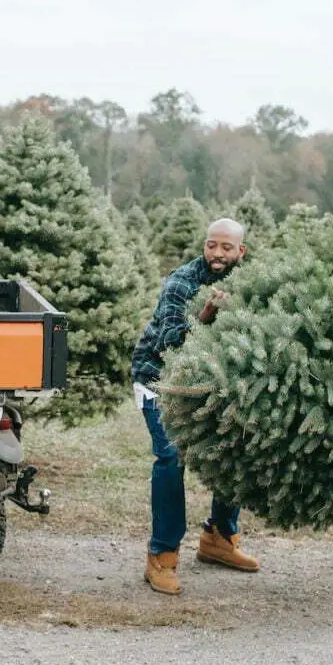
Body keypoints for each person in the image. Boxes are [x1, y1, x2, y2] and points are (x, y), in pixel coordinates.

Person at [132, 218, 259, 596]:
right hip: (161, 378)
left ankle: (219, 537)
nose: (217, 254)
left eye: (226, 247)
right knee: (172, 457)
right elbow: (171, 341)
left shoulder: (249, 281)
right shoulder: (182, 283)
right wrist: (204, 316)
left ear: (241, 251)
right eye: (211, 246)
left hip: (214, 382)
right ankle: (162, 555)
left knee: (233, 448)